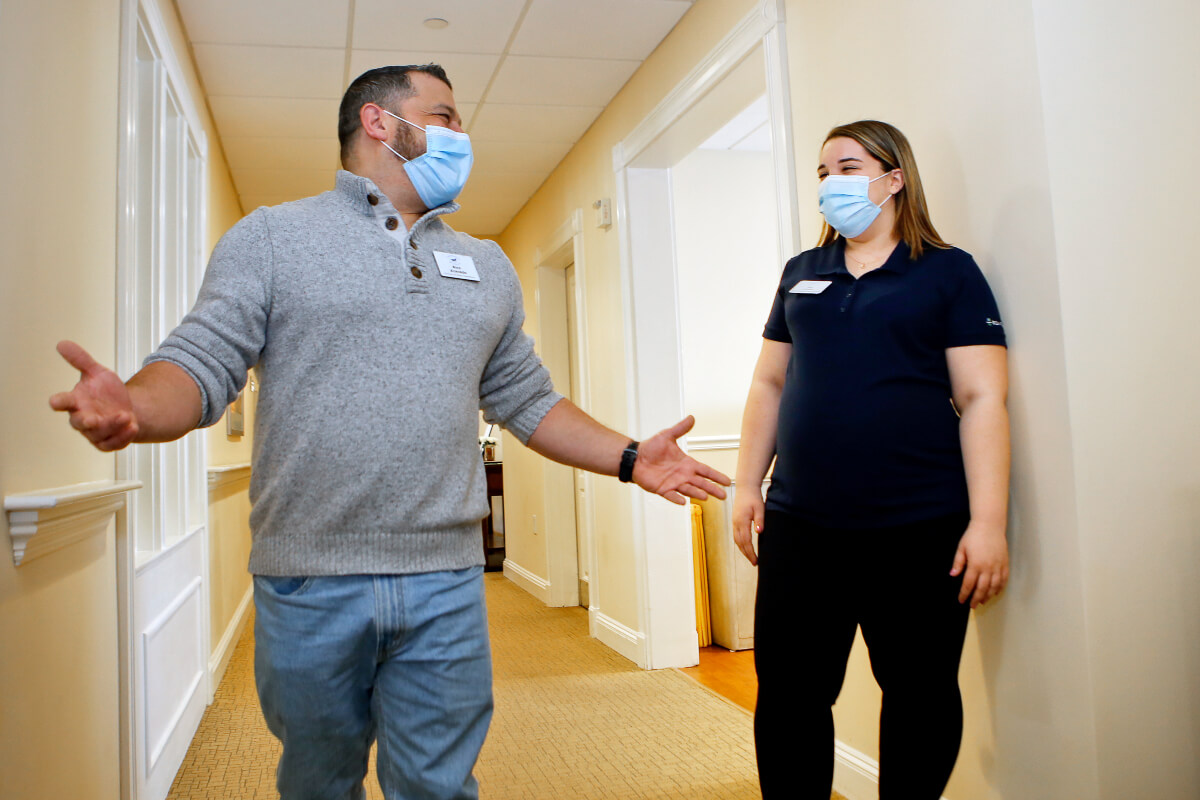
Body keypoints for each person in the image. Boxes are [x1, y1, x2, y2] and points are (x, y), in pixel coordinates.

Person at [49, 64, 730, 800]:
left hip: (446, 580)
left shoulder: (486, 266)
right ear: (380, 122)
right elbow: (201, 364)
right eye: (445, 115)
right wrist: (136, 407)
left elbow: (528, 401)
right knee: (319, 781)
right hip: (310, 577)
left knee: (438, 786)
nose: (461, 135)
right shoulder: (273, 238)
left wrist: (630, 457)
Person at [732, 120, 1010, 799]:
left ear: (894, 179)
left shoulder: (948, 272)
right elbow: (769, 383)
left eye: (848, 167)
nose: (830, 183)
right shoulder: (802, 273)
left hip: (920, 527)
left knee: (919, 694)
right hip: (802, 526)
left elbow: (981, 399)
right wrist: (746, 484)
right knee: (791, 695)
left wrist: (989, 523)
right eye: (823, 172)